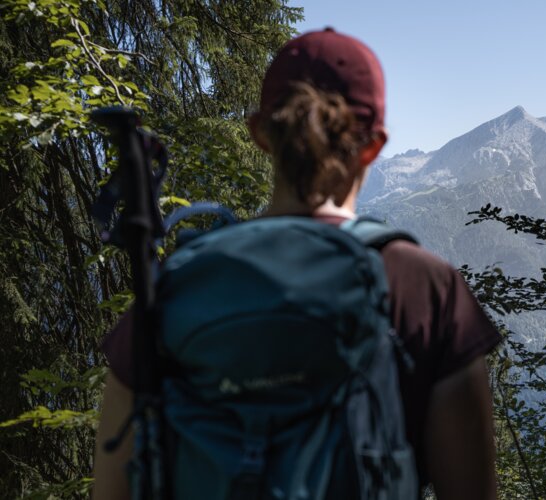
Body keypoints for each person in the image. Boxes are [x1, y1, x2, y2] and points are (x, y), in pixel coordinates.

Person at [93, 28, 501, 500]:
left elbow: (113, 487)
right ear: (374, 145)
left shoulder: (178, 285)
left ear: (260, 134)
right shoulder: (426, 287)